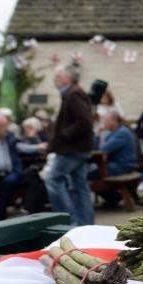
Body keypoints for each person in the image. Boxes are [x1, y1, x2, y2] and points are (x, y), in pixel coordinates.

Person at [46, 65, 96, 226]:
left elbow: (85, 121)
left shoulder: (73, 93)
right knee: (80, 186)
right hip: (78, 148)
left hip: (72, 149)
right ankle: (85, 224)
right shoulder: (72, 93)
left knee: (53, 179)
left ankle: (68, 221)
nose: (54, 79)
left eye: (57, 76)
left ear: (67, 78)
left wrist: (64, 134)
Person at [89, 111, 137, 207]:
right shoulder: (115, 133)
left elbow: (103, 149)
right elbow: (97, 148)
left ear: (114, 121)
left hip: (123, 166)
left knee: (87, 176)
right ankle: (113, 198)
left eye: (106, 120)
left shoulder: (121, 133)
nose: (104, 123)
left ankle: (114, 198)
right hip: (117, 165)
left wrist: (98, 134)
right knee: (92, 174)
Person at [17, 117, 49, 214]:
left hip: (39, 169)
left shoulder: (42, 137)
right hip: (26, 169)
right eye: (26, 127)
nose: (26, 130)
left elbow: (47, 147)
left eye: (29, 127)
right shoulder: (22, 139)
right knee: (35, 178)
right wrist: (36, 146)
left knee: (39, 183)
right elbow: (20, 148)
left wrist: (36, 142)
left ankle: (29, 208)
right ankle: (29, 208)